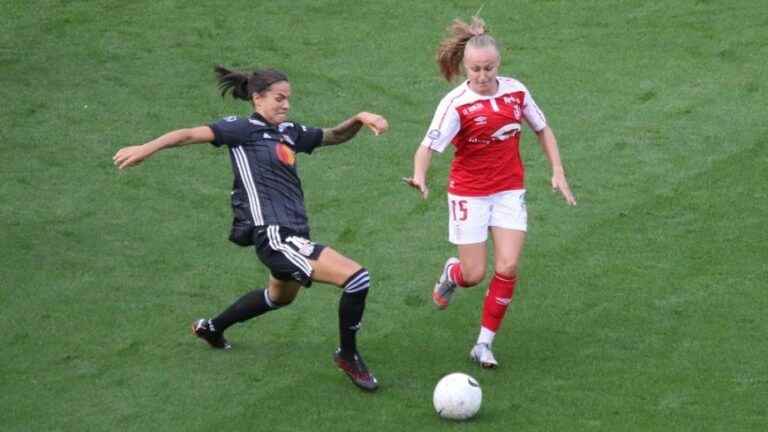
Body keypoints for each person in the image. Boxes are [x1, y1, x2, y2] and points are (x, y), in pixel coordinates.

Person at [113, 65, 388, 391]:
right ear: (257, 98)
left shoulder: (289, 131)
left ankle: (212, 328)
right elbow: (187, 134)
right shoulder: (241, 130)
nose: (285, 105)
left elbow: (334, 135)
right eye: (279, 98)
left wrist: (359, 118)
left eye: (288, 99)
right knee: (357, 278)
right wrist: (145, 149)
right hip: (274, 235)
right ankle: (348, 354)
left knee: (279, 297)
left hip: (294, 234)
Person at [405, 17, 576, 368]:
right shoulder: (456, 103)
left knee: (509, 264)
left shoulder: (516, 91)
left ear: (499, 64)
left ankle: (484, 344)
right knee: (473, 274)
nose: (482, 76)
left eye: (488, 68)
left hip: (509, 191)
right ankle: (453, 273)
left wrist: (557, 170)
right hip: (468, 193)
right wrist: (420, 175)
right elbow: (427, 147)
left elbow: (543, 129)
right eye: (475, 69)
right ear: (464, 67)